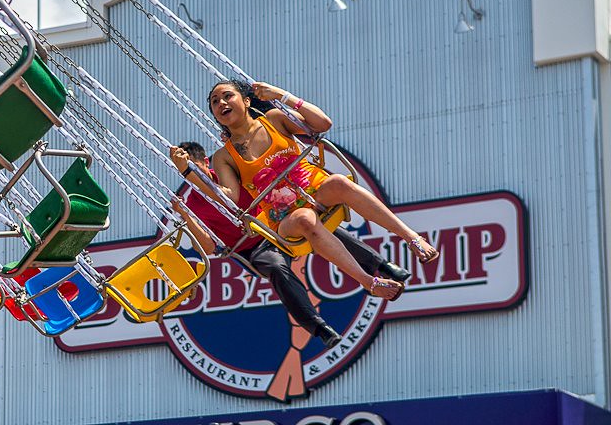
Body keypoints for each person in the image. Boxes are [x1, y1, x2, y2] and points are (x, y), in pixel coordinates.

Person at [171, 78, 439, 300]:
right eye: (215, 102)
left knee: (339, 183)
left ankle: (411, 237)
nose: (221, 104)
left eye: (227, 96)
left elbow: (323, 124)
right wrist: (188, 173)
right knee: (305, 219)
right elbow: (230, 198)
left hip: (314, 186)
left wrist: (283, 96)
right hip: (282, 215)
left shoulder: (275, 119)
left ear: (247, 101)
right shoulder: (224, 157)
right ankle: (369, 282)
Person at [171, 141, 409, 348]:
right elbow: (211, 248)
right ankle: (318, 327)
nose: (195, 177)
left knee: (316, 226)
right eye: (188, 173)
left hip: (274, 224)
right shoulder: (193, 204)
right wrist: (185, 215)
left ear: (205, 162)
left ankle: (381, 264)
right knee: (276, 268)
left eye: (196, 169)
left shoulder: (229, 174)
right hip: (253, 247)